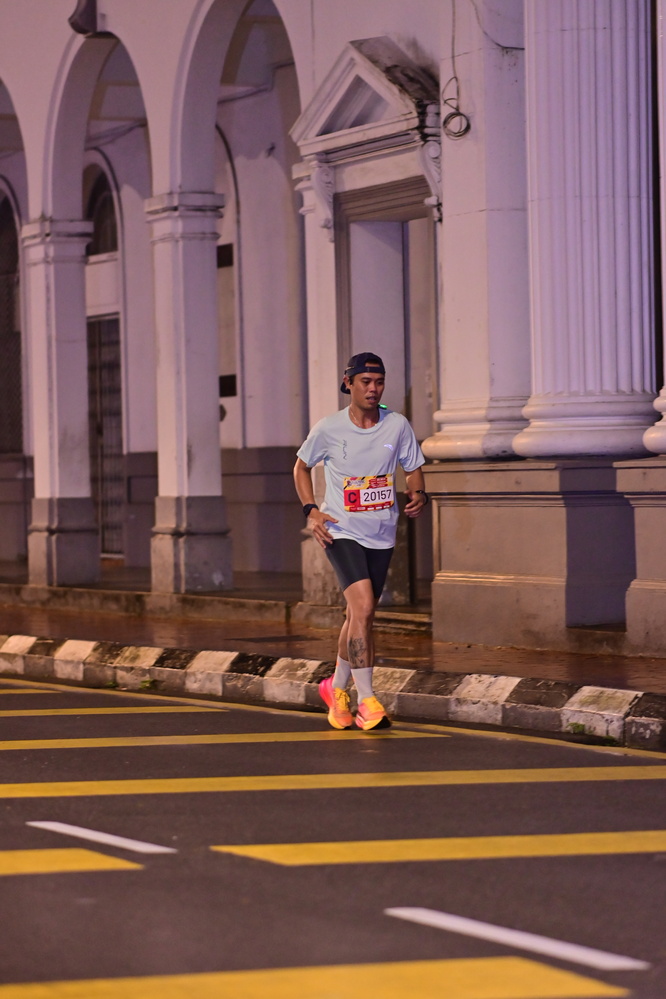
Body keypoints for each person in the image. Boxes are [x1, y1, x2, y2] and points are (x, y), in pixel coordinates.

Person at [293, 352, 428, 731]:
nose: (373, 389)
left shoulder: (397, 425)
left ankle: (335, 688)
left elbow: (413, 467)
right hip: (341, 530)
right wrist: (312, 510)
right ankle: (367, 700)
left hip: (382, 532)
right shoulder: (329, 428)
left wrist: (419, 492)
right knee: (365, 607)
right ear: (348, 383)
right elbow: (301, 467)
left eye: (379, 382)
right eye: (366, 382)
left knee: (357, 615)